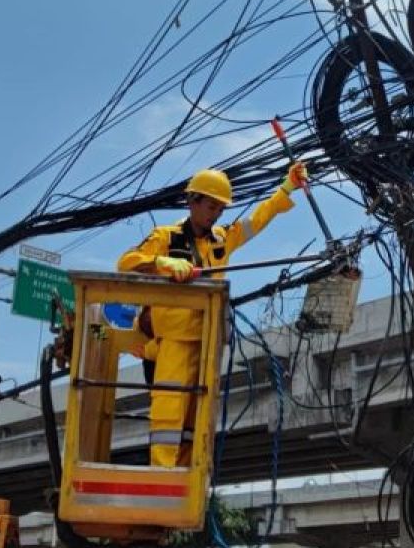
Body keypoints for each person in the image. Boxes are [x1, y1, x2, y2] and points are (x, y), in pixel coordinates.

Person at [117, 162, 308, 467]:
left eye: (220, 209)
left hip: (207, 341)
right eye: (211, 206)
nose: (216, 213)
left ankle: (185, 472)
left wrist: (286, 187)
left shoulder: (221, 239)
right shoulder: (166, 237)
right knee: (169, 405)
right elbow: (126, 262)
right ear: (192, 201)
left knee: (199, 412)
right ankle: (162, 469)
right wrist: (163, 264)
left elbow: (256, 221)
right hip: (176, 340)